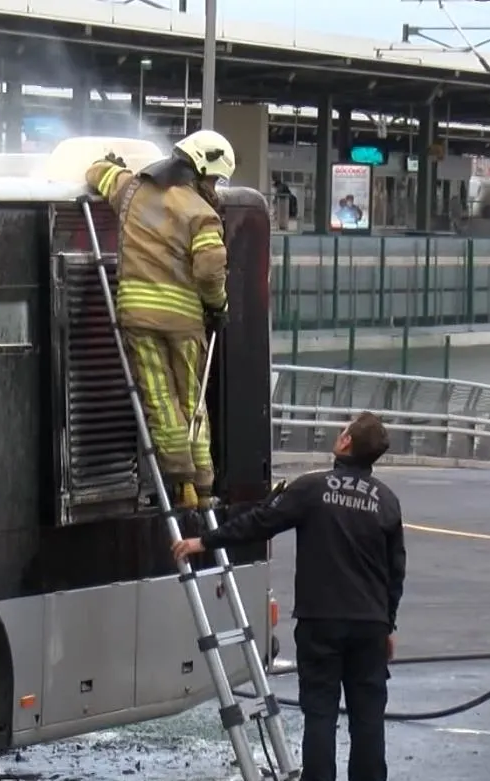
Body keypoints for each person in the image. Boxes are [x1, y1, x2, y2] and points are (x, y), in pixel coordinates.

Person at [170, 412, 407, 781]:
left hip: (321, 621)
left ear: (346, 444)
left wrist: (204, 541)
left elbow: (260, 522)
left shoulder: (312, 489)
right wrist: (386, 623)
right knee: (368, 719)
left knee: (321, 715)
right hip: (370, 625)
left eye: (343, 431)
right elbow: (395, 573)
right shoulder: (388, 502)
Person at [84, 129, 236, 510]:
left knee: (158, 399)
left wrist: (112, 165)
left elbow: (96, 173)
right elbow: (210, 269)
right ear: (202, 168)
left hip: (135, 314)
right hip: (183, 322)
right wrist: (218, 305)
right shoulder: (201, 213)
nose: (215, 186)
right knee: (191, 401)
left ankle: (179, 480)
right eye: (215, 178)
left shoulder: (132, 190)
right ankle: (201, 487)